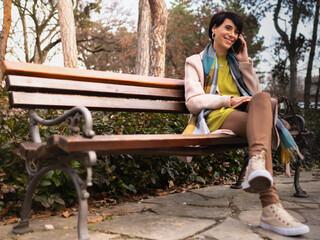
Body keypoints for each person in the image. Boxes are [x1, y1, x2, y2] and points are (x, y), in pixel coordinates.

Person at [183, 10, 310, 236]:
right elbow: (193, 102)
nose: (232, 34)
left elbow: (257, 95)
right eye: (228, 28)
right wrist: (228, 100)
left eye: (236, 31)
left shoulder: (236, 62)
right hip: (214, 117)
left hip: (245, 117)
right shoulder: (195, 61)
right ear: (214, 29)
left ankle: (257, 161)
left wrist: (244, 60)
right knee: (264, 126)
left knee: (264, 98)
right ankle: (271, 206)